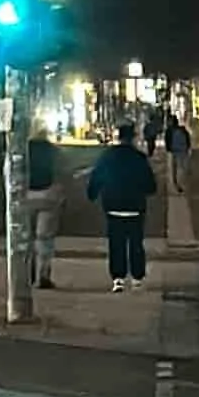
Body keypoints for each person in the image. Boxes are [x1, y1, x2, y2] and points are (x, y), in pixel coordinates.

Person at [86, 120, 160, 289]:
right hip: (135, 206)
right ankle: (137, 277)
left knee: (116, 242)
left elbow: (97, 178)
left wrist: (93, 194)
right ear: (133, 138)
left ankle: (118, 277)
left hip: (113, 205)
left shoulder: (107, 156)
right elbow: (150, 185)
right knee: (136, 242)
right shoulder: (139, 158)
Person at [26, 127, 63, 286]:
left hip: (25, 195)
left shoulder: (22, 151)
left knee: (25, 238)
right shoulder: (53, 151)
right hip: (48, 195)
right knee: (45, 238)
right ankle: (43, 274)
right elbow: (61, 172)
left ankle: (27, 274)